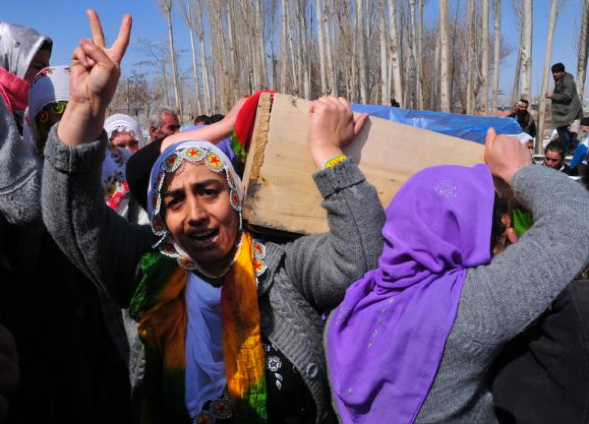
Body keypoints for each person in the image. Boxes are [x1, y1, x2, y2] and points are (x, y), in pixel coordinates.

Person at [42, 10, 384, 424]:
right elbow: (70, 221)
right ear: (159, 218)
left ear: (236, 196)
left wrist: (328, 153)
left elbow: (361, 257)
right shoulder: (144, 269)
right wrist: (83, 109)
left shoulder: (284, 267)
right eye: (175, 202)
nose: (196, 215)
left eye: (208, 191)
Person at [326, 128, 589, 423]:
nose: (509, 238)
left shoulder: (347, 310)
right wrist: (519, 171)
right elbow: (577, 223)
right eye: (501, 231)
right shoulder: (465, 310)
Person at [3, 65, 132, 423]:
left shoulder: (121, 173)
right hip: (51, 333)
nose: (61, 126)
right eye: (50, 115)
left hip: (113, 324)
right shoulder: (23, 186)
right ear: (33, 121)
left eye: (70, 110)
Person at [546, 63, 583, 152]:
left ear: (562, 72)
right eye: (553, 72)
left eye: (557, 72)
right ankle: (572, 140)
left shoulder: (567, 81)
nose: (554, 74)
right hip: (565, 110)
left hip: (569, 110)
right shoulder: (560, 79)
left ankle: (566, 149)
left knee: (561, 129)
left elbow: (567, 96)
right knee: (562, 129)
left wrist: (552, 95)